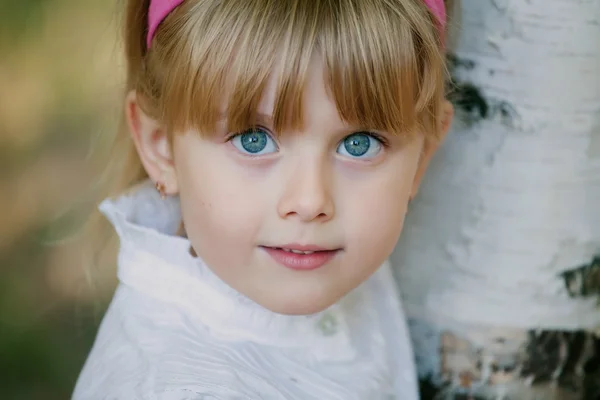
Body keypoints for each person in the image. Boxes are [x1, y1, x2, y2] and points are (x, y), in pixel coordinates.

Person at [73, 0, 453, 398]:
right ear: (161, 147)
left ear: (422, 155)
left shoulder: (343, 263)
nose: (309, 202)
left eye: (359, 145)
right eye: (253, 141)